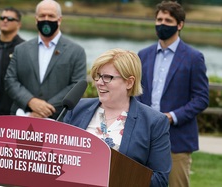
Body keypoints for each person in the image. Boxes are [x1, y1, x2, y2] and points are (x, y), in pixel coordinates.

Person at [63, 48, 171, 187]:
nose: (99, 82)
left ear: (129, 82)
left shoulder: (154, 122)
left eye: (108, 77)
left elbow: (159, 181)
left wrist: (109, 172)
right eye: (98, 75)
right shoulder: (76, 109)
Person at [137, 1, 209, 187]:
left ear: (180, 24)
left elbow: (201, 98)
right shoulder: (143, 55)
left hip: (177, 141)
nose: (162, 23)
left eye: (168, 20)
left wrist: (172, 117)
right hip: (144, 138)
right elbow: (136, 92)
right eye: (159, 19)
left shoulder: (194, 58)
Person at [5, 0, 86, 120]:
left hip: (59, 120)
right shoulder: (20, 49)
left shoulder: (76, 51)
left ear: (59, 19)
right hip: (22, 117)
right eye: (42, 16)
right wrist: (31, 101)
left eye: (51, 16)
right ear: (36, 19)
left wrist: (44, 109)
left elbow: (77, 85)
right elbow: (10, 80)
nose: (46, 19)